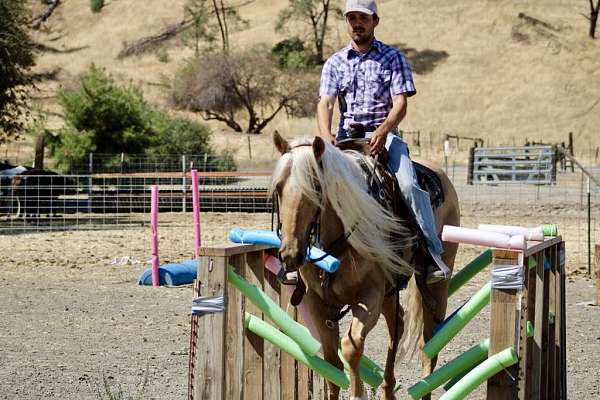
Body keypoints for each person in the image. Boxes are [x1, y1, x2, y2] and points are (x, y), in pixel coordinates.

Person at [316, 0, 449, 283]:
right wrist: (326, 135)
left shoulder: (393, 57)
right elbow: (326, 102)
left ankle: (430, 255)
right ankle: (307, 254)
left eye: (362, 18)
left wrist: (385, 129)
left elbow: (400, 103)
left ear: (375, 21)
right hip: (345, 140)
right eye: (351, 18)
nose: (357, 23)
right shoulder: (334, 63)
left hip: (385, 138)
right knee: (313, 185)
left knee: (409, 185)